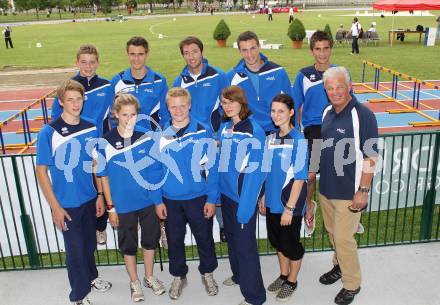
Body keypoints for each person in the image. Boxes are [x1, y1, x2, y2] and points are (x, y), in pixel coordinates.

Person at [36, 80, 112, 305]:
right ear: (61, 102)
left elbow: (96, 164)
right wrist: (55, 207)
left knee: (88, 246)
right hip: (66, 204)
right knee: (76, 251)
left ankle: (91, 278)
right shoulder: (48, 132)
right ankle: (79, 295)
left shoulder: (91, 126)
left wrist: (99, 195)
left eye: (79, 98)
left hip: (90, 199)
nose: (75, 103)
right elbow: (41, 172)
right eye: (70, 99)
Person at [319, 66, 378, 305]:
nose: (335, 92)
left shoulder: (363, 115)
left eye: (339, 87)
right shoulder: (326, 112)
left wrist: (363, 191)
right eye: (330, 88)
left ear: (349, 87)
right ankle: (339, 266)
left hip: (348, 193)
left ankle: (352, 284)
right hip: (327, 189)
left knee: (344, 240)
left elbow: (371, 155)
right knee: (334, 236)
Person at [98, 93, 165, 302]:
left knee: (150, 241)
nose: (129, 119)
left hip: (146, 201)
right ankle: (134, 281)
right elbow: (103, 177)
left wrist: (157, 201)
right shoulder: (104, 142)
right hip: (123, 205)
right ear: (115, 114)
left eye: (133, 114)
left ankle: (149, 276)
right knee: (128, 245)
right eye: (125, 114)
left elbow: (154, 171)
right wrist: (111, 208)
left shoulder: (146, 136)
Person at [154, 87, 220, 300]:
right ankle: (178, 276)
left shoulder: (202, 130)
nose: (178, 110)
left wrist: (211, 198)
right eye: (173, 106)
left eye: (182, 105)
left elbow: (212, 167)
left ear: (189, 105)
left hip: (198, 197)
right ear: (168, 108)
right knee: (174, 240)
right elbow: (155, 171)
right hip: (170, 199)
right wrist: (157, 200)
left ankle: (207, 273)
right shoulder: (160, 135)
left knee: (205, 238)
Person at [51, 45, 114, 245]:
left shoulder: (107, 86)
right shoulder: (68, 88)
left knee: (102, 185)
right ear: (77, 62)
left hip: (100, 146)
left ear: (98, 63)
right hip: (76, 149)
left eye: (92, 62)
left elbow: (114, 114)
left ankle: (100, 225)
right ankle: (90, 226)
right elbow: (55, 119)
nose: (88, 66)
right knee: (85, 188)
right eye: (84, 62)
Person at [173, 36, 229, 242]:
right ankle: (196, 224)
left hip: (212, 138)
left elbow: (228, 107)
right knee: (194, 181)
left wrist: (220, 136)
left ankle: (223, 225)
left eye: (194, 51)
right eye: (186, 53)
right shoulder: (179, 81)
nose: (191, 56)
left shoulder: (218, 76)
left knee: (217, 179)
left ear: (202, 52)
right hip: (189, 140)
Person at [218, 85, 266, 305]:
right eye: (224, 102)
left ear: (241, 103)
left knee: (246, 248)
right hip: (227, 197)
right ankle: (239, 276)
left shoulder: (253, 131)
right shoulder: (225, 128)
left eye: (231, 102)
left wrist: (247, 206)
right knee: (233, 242)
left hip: (242, 200)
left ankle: (255, 296)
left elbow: (256, 173)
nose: (227, 106)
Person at [258, 94, 308, 302]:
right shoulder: (270, 139)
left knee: (290, 245)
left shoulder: (299, 140)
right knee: (277, 242)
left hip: (290, 205)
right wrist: (262, 196)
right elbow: (266, 172)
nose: (276, 115)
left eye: (281, 111)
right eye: (273, 111)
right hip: (271, 202)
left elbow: (299, 179)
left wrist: (289, 208)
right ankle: (283, 275)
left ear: (291, 112)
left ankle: (293, 281)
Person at [292, 30, 333, 236]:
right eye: (318, 49)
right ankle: (309, 206)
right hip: (314, 133)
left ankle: (344, 217)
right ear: (312, 51)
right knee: (310, 176)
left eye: (326, 48)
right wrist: (296, 133)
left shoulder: (340, 73)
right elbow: (294, 104)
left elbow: (350, 103)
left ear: (331, 49)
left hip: (335, 130)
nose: (322, 53)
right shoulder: (303, 75)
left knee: (338, 175)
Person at [228, 31, 292, 134]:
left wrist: (292, 132)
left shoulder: (278, 72)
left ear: (259, 47)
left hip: (275, 132)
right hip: (247, 134)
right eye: (245, 50)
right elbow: (225, 108)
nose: (249, 54)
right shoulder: (232, 77)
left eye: (253, 48)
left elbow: (291, 104)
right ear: (240, 52)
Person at [111, 36, 169, 130]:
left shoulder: (159, 81)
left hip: (152, 139)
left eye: (140, 54)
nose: (136, 58)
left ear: (147, 54)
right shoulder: (117, 81)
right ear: (128, 55)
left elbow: (166, 114)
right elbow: (112, 114)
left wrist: (159, 137)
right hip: (126, 140)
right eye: (132, 54)